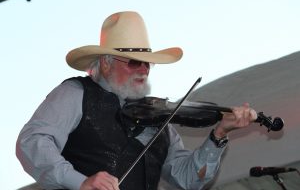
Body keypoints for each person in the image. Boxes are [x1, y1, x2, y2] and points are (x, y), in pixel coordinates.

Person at [16, 11, 257, 190]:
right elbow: (32, 143)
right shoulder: (75, 93)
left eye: (147, 63)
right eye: (133, 62)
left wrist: (219, 135)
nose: (143, 69)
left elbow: (188, 180)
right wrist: (81, 183)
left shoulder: (160, 120)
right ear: (106, 62)